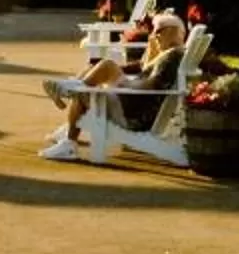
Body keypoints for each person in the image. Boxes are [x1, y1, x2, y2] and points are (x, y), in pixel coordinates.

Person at [40, 14, 186, 160]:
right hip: (133, 103)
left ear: (172, 31)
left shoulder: (171, 57)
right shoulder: (170, 54)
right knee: (92, 74)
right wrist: (151, 55)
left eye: (159, 31)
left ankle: (68, 99)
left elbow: (150, 86)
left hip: (131, 111)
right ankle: (69, 98)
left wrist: (125, 83)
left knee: (103, 70)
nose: (155, 35)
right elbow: (144, 71)